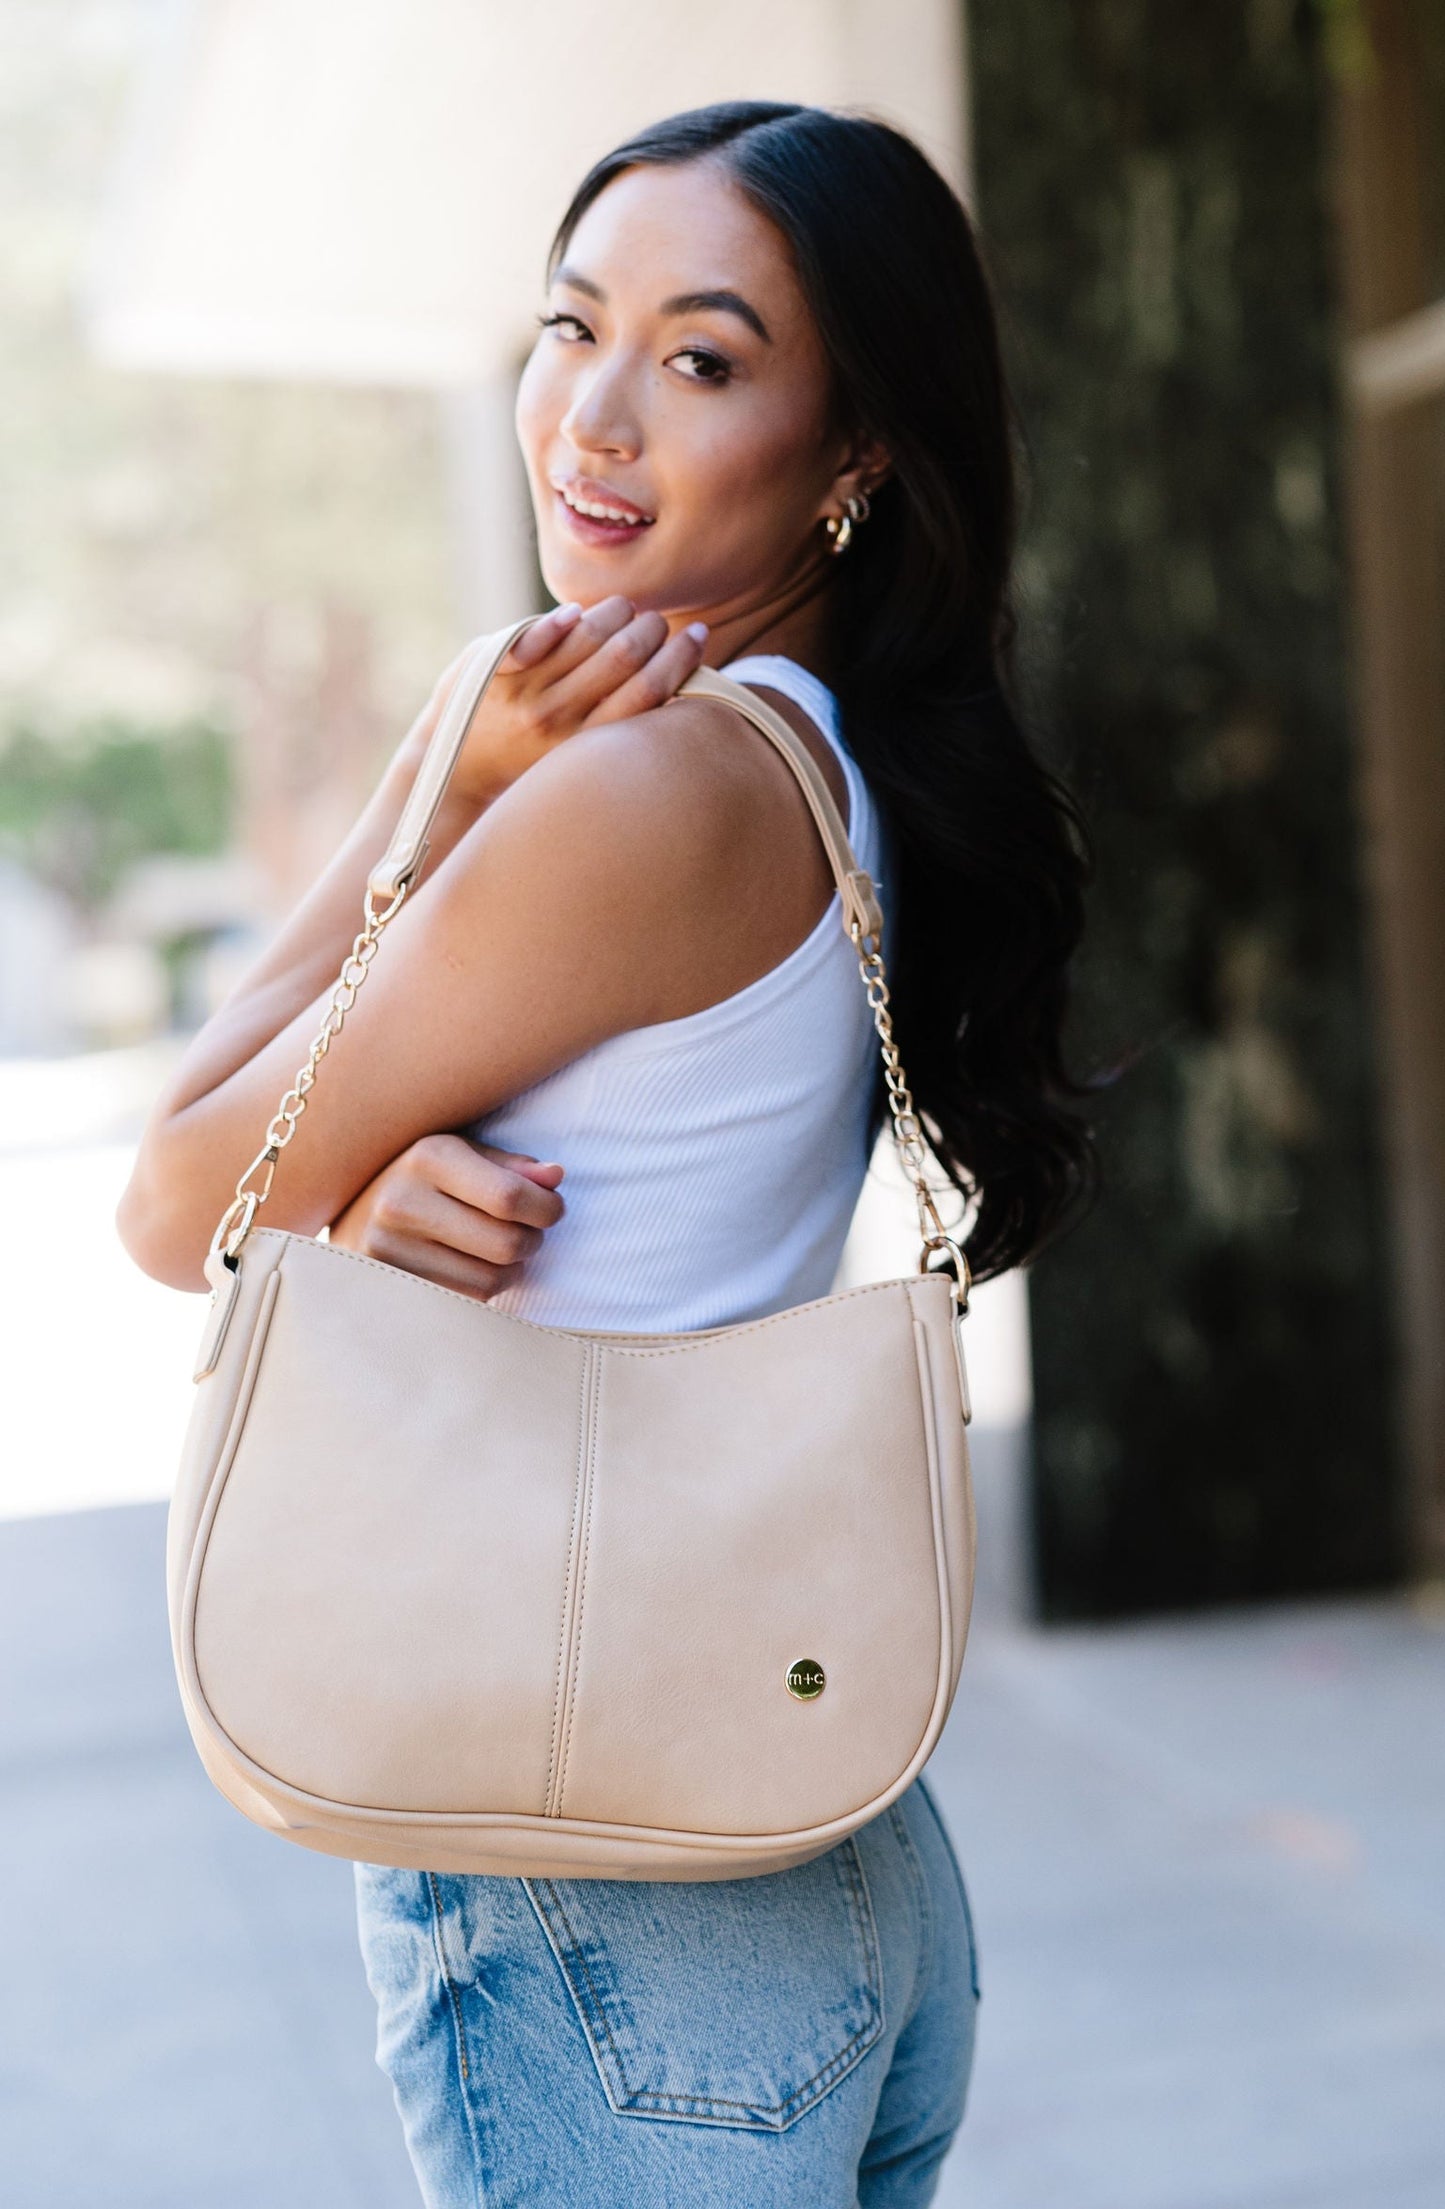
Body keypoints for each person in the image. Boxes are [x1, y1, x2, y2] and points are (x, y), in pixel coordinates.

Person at [119, 100, 1094, 2209]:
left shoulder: (637, 794)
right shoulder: (826, 764)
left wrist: (439, 797)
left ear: (855, 454)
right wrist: (359, 1207)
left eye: (706, 357)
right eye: (575, 328)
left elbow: (178, 1194)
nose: (596, 417)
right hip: (802, 1841)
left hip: (601, 1877)